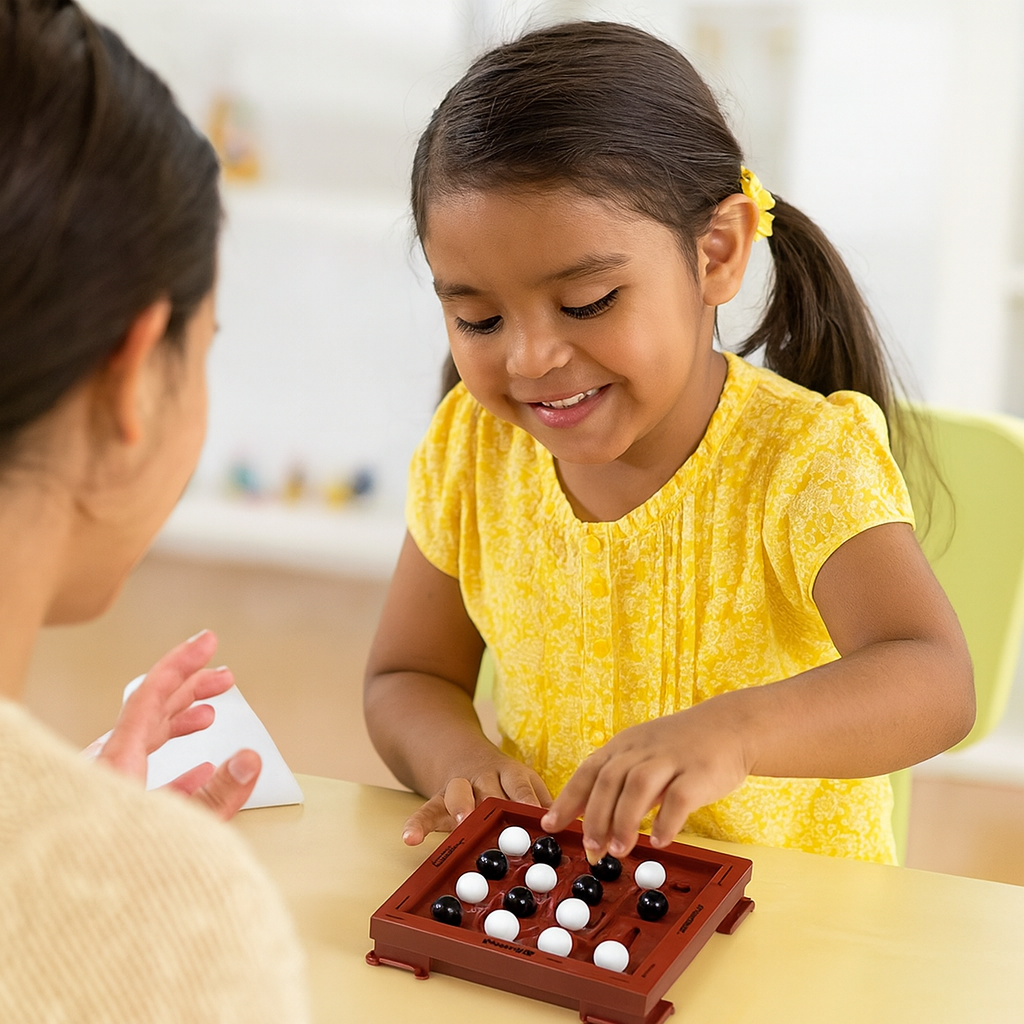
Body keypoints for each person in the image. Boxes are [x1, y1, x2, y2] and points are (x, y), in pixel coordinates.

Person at [363, 20, 975, 867]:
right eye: (479, 318)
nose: (530, 358)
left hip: (790, 918)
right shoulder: (474, 447)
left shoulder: (804, 460)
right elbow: (406, 677)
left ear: (717, 252)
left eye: (586, 303)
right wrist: (462, 763)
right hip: (571, 906)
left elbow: (934, 678)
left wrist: (738, 731)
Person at [0, 1, 308, 1019]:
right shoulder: (183, 926)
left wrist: (77, 815)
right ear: (132, 377)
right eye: (204, 345)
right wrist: (110, 867)